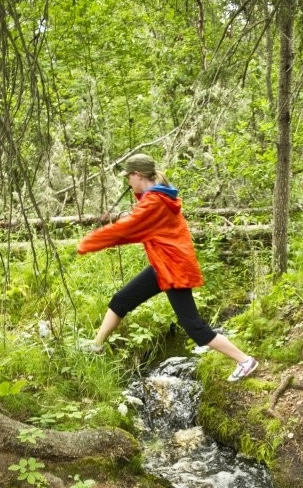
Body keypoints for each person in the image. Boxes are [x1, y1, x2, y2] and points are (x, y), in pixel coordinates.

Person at [77, 153, 258, 382]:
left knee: (193, 326)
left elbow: (127, 229)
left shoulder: (155, 202)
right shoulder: (157, 197)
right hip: (162, 265)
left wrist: (88, 243)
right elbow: (142, 220)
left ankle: (245, 360)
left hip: (174, 269)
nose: (127, 181)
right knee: (121, 300)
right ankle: (96, 345)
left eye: (128, 177)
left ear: (138, 175)